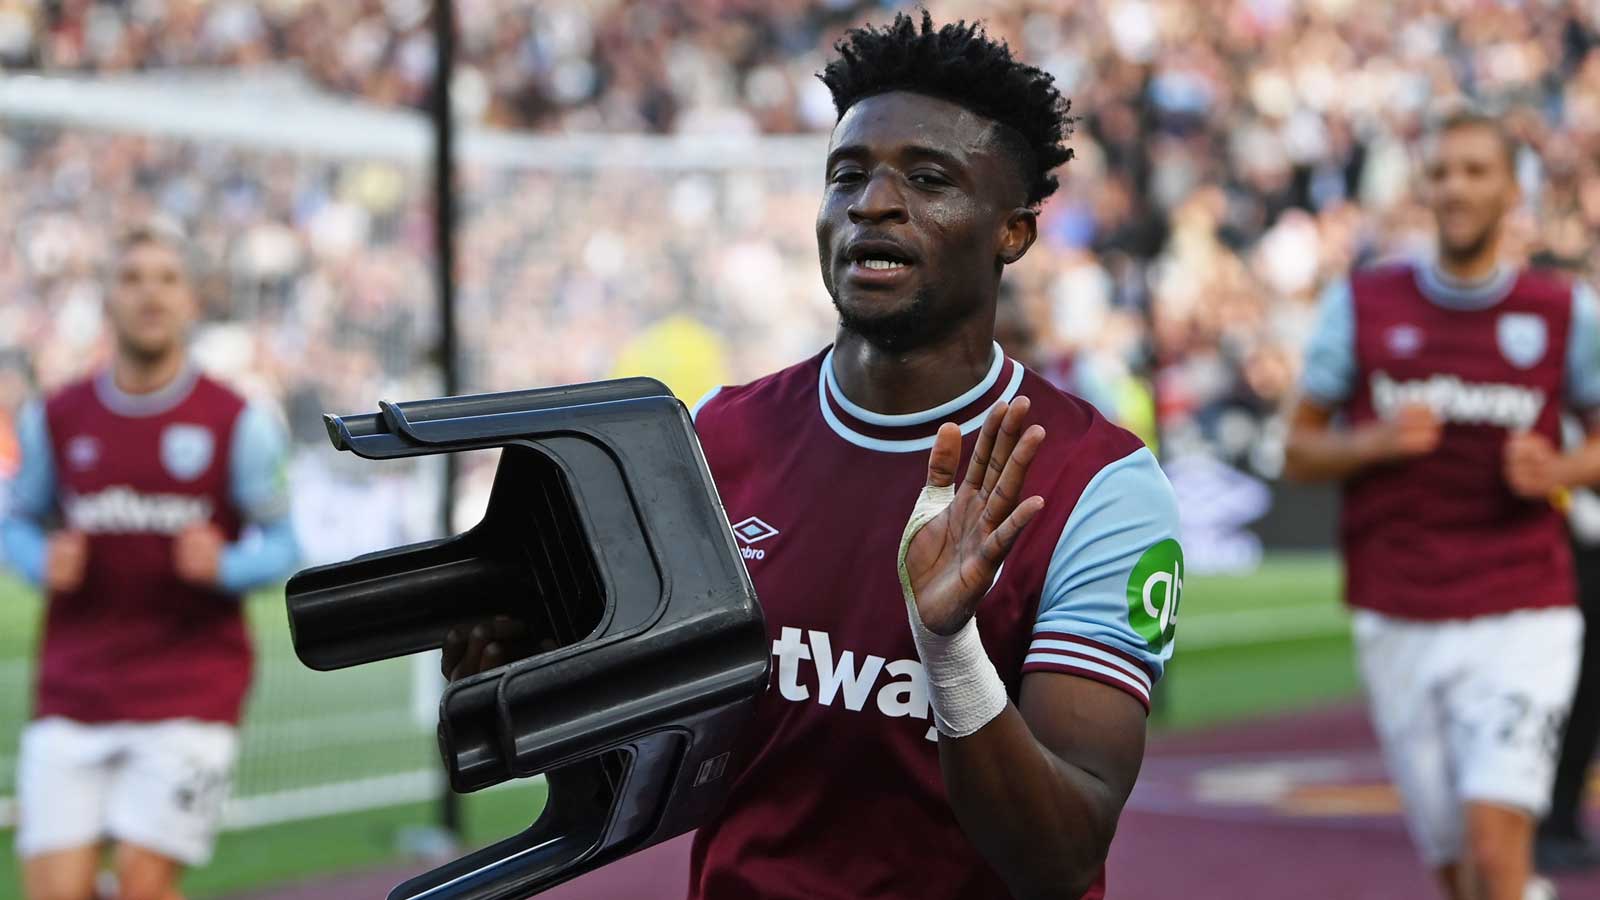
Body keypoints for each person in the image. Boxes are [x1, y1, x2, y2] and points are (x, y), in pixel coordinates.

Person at [444, 13, 1181, 899]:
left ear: (1012, 234)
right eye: (848, 174)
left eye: (929, 178)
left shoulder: (1099, 486)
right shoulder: (716, 438)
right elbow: (649, 749)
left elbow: (1061, 856)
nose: (873, 201)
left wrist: (947, 649)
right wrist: (531, 670)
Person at [1283, 108, 1600, 900]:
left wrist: (1561, 464)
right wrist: (1375, 444)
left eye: (1475, 171)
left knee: (1496, 856)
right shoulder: (1362, 303)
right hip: (1399, 611)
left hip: (1523, 607)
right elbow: (1297, 449)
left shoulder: (1564, 313)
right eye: (1442, 171)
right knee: (1460, 872)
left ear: (1511, 192)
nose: (1455, 187)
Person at [1, 224, 301, 900]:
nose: (150, 295)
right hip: (74, 690)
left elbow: (286, 546)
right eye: (133, 278)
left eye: (167, 279)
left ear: (192, 300)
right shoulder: (57, 416)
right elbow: (14, 522)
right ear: (108, 298)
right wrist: (36, 558)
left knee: (141, 887)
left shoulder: (237, 420)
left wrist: (224, 566)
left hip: (188, 693)